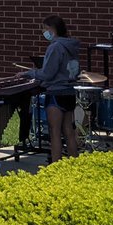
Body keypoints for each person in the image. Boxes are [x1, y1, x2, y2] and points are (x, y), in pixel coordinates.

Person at [23, 14, 82, 163]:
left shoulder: (55, 47)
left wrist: (28, 73)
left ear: (52, 29)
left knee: (54, 132)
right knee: (69, 131)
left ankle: (56, 167)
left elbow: (47, 73)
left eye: (44, 29)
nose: (43, 32)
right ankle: (76, 165)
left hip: (56, 92)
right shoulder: (72, 46)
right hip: (69, 92)